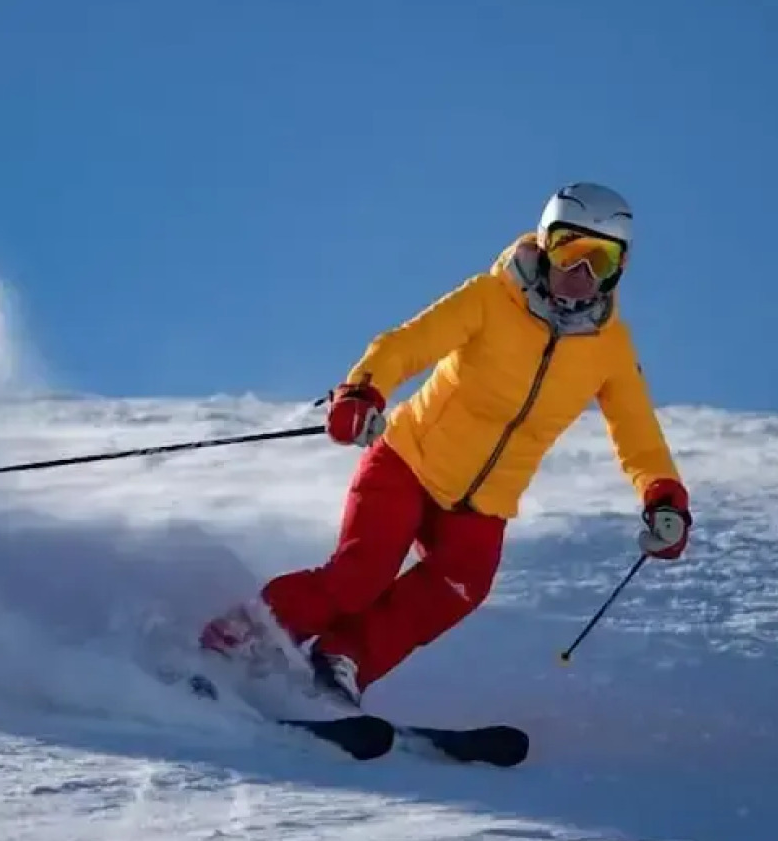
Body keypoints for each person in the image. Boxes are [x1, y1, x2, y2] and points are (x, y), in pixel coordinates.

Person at [200, 182, 692, 709]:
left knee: (460, 586)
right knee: (360, 576)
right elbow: (406, 345)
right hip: (409, 462)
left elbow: (637, 431)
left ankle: (342, 662)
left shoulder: (610, 348)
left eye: (602, 258)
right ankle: (233, 643)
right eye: (570, 250)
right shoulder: (490, 298)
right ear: (546, 244)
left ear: (620, 267)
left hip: (483, 505)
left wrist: (664, 497)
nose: (582, 272)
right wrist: (363, 392)